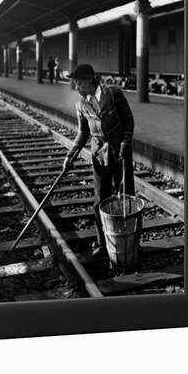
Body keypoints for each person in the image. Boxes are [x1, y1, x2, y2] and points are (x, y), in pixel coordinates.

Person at [62, 63, 135, 257]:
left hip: (120, 152)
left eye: (78, 83)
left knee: (126, 198)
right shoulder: (81, 105)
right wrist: (70, 155)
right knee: (99, 201)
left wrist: (125, 143)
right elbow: (83, 133)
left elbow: (128, 119)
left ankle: (130, 243)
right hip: (99, 156)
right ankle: (103, 244)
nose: (76, 87)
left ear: (88, 81)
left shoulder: (113, 94)